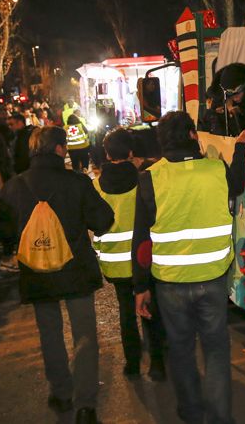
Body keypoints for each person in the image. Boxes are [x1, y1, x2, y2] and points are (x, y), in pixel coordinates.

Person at [132, 112, 245, 424]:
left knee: (181, 350)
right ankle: (220, 417)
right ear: (192, 136)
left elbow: (142, 240)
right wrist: (239, 150)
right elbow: (238, 184)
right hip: (212, 277)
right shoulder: (215, 169)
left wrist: (140, 287)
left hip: (169, 283)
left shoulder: (150, 177)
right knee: (215, 349)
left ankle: (191, 412)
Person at [1, 127, 114, 423]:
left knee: (49, 333)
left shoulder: (14, 186)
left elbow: (1, 230)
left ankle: (61, 391)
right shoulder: (76, 182)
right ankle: (85, 405)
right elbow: (103, 218)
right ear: (60, 149)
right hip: (75, 270)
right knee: (85, 335)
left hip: (36, 271)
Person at [93, 127, 167, 380]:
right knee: (149, 310)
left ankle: (132, 363)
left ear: (106, 153)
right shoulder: (144, 179)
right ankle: (157, 365)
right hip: (144, 260)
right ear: (131, 151)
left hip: (114, 264)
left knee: (126, 312)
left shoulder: (97, 185)